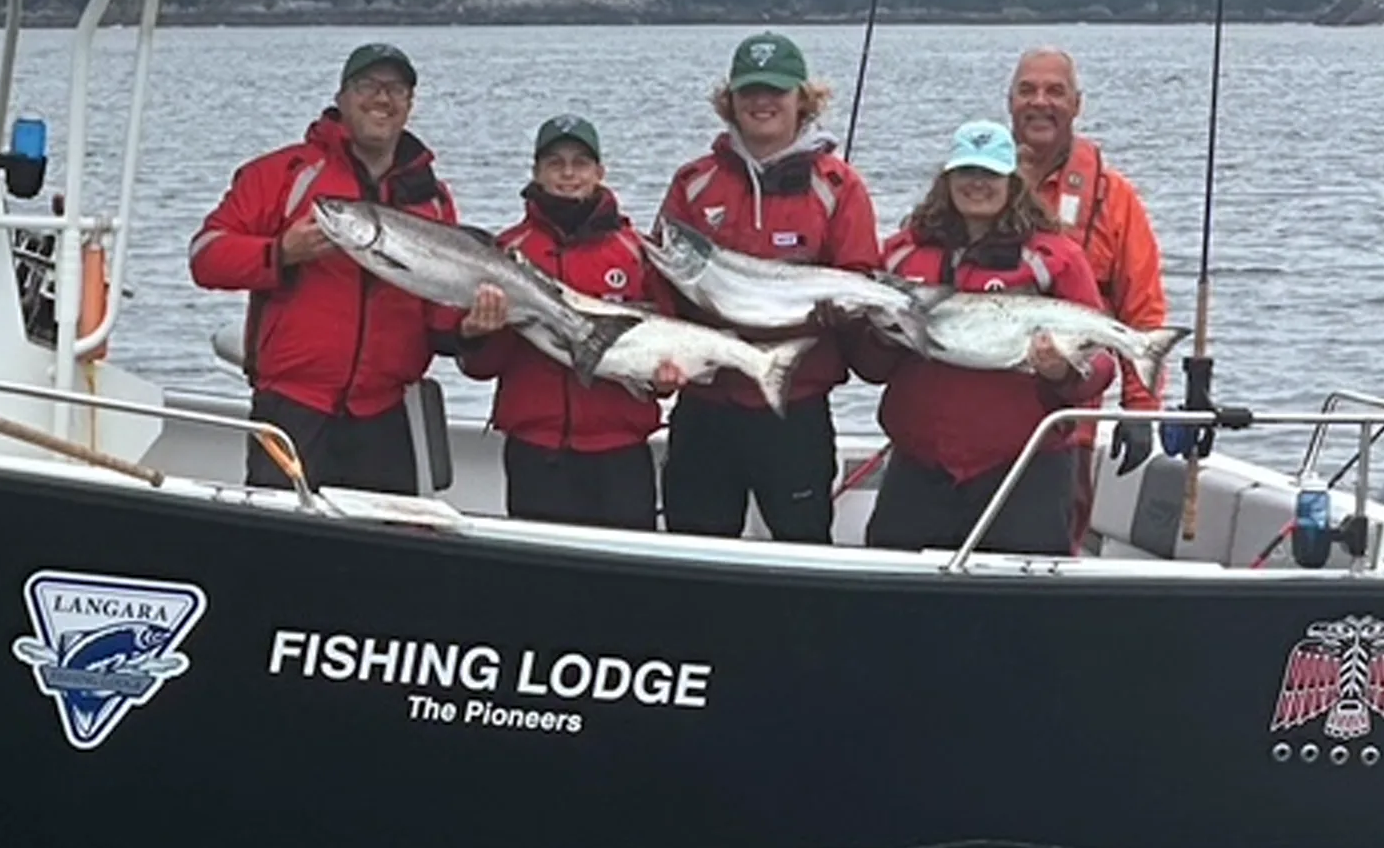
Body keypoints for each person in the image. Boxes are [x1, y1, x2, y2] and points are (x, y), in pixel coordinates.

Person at [187, 42, 495, 494]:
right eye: (367, 86)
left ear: (410, 104)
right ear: (342, 98)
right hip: (292, 406)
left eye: (396, 89)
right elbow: (205, 256)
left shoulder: (430, 196)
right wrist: (281, 253)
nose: (382, 99)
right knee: (281, 541)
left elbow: (437, 310)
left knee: (383, 550)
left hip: (384, 415)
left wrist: (472, 329)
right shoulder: (285, 174)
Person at [846, 119, 1116, 555]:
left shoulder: (1057, 258)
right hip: (918, 467)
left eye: (990, 174)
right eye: (967, 172)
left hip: (1026, 469)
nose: (977, 184)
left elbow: (1101, 364)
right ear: (947, 179)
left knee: (1020, 608)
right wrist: (880, 336)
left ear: (1012, 181)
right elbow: (870, 368)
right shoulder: (901, 254)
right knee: (899, 602)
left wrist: (1062, 372)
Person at [653, 31, 881, 544]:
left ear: (803, 99)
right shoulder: (692, 183)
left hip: (797, 409)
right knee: (694, 554)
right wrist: (661, 363)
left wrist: (844, 311)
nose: (762, 102)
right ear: (729, 100)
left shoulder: (839, 186)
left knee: (804, 551)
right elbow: (662, 293)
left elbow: (860, 274)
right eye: (750, 90)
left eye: (776, 90)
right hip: (706, 406)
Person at [454, 114, 688, 529]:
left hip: (620, 451)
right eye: (555, 163)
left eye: (580, 163)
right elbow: (481, 367)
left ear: (600, 172)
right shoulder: (506, 252)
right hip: (536, 451)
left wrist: (662, 379)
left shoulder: (636, 252)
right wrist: (476, 335)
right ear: (536, 172)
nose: (567, 174)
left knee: (625, 579)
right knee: (542, 585)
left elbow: (666, 338)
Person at [1008, 46, 1168, 550]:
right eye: (1028, 90)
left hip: (1065, 425)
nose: (1040, 102)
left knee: (1050, 551)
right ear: (1009, 102)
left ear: (1077, 105)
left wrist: (1140, 409)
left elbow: (1142, 308)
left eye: (1055, 91)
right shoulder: (971, 186)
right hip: (970, 415)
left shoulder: (1114, 199)